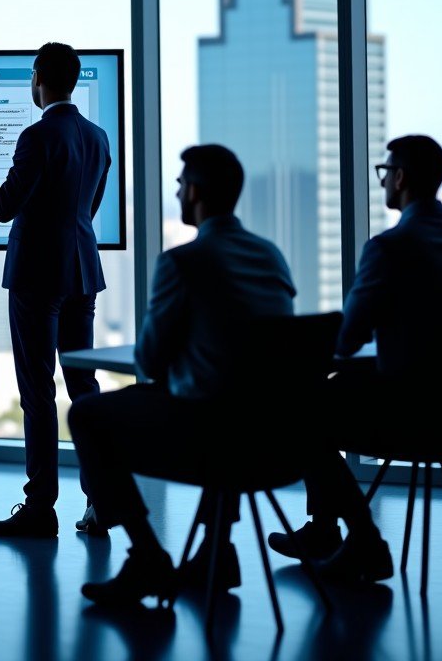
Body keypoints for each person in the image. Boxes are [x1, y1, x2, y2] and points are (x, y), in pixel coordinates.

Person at [69, 144, 297, 605]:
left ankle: (147, 556)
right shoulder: (270, 255)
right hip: (279, 441)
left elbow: (149, 363)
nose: (175, 192)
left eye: (178, 184)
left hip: (213, 442)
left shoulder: (183, 262)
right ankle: (217, 549)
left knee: (87, 416)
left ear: (193, 191)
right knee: (230, 400)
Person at [269, 134, 442, 581]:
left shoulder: (390, 248)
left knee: (299, 408)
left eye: (385, 172)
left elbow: (347, 341)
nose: (384, 180)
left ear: (399, 178)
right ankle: (325, 530)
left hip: (413, 419)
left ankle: (360, 537)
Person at [0, 42, 110, 538]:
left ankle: (41, 508)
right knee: (84, 388)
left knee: (38, 393)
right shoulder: (98, 136)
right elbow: (90, 206)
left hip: (37, 276)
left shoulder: (36, 136)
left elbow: (3, 207)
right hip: (83, 270)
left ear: (38, 77)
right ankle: (99, 502)